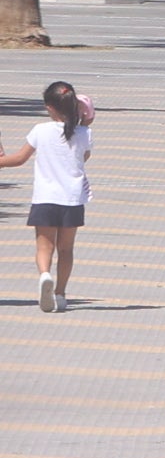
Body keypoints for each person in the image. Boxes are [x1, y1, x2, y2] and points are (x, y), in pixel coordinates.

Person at [5, 80, 93, 311]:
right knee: (66, 249)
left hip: (45, 198)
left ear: (49, 107)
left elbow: (19, 159)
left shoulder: (40, 130)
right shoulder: (84, 133)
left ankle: (44, 274)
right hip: (72, 200)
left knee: (45, 248)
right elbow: (83, 158)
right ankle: (61, 293)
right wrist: (85, 121)